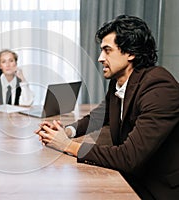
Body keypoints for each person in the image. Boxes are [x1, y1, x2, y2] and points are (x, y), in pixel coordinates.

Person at [35, 15, 179, 199]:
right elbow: (100, 115)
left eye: (107, 50)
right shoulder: (120, 81)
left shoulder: (159, 87)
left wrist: (67, 145)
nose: (100, 58)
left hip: (158, 189)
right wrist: (67, 131)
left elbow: (129, 157)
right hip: (134, 178)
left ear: (130, 53)